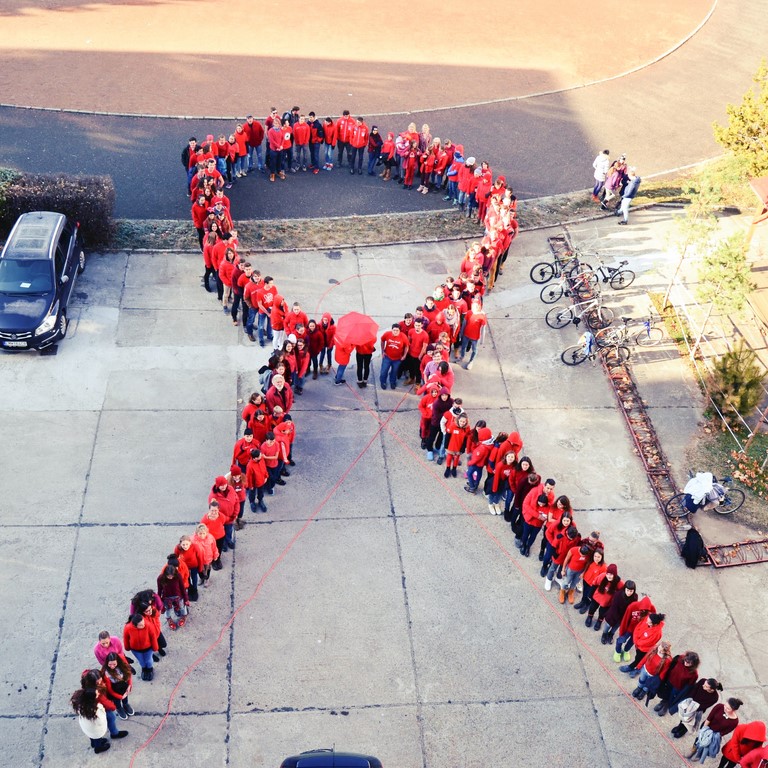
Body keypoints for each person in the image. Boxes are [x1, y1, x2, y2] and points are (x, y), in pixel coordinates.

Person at [71, 669, 127, 754]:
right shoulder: (96, 701)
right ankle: (99, 747)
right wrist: (113, 707)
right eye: (98, 682)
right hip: (95, 722)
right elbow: (104, 713)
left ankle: (94, 743)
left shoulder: (83, 698)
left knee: (92, 735)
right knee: (110, 719)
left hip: (87, 724)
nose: (100, 683)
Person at [689, 697, 742, 763]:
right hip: (706, 727)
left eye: (728, 708)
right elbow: (709, 718)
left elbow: (726, 731)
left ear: (734, 710)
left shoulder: (734, 721)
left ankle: (698, 755)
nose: (725, 708)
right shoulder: (719, 706)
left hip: (714, 734)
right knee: (698, 739)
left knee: (706, 746)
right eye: (725, 705)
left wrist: (716, 736)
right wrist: (704, 730)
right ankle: (693, 750)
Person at [122, 613, 158, 681]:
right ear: (135, 625)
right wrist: (127, 647)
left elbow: (153, 637)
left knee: (149, 660)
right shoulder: (128, 627)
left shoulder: (148, 625)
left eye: (143, 623)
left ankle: (150, 669)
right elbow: (126, 638)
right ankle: (144, 669)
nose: (143, 625)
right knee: (141, 661)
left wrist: (155, 647)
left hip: (148, 648)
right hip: (135, 649)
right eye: (141, 625)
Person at [101, 652, 134, 720]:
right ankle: (119, 708)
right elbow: (109, 689)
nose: (112, 666)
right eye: (110, 664)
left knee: (125, 697)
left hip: (123, 687)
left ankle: (125, 704)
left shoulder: (123, 666)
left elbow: (129, 675)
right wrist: (120, 696)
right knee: (117, 701)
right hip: (114, 689)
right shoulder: (106, 673)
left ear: (118, 662)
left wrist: (129, 686)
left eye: (114, 664)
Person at [458, 300, 487, 370]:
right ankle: (462, 356)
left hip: (475, 337)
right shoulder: (469, 313)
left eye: (476, 306)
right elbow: (464, 324)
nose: (474, 308)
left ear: (479, 306)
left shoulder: (482, 316)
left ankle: (471, 361)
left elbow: (483, 329)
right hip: (466, 334)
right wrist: (461, 333)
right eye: (473, 306)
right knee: (463, 347)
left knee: (474, 350)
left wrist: (482, 340)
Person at [379, 324, 408, 390]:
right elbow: (382, 340)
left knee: (394, 372)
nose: (395, 332)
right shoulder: (387, 334)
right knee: (384, 371)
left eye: (397, 330)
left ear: (399, 331)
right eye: (394, 330)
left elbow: (406, 346)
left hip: (397, 359)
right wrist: (383, 351)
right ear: (391, 330)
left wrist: (404, 355)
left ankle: (392, 382)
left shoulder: (403, 337)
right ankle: (383, 382)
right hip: (387, 357)